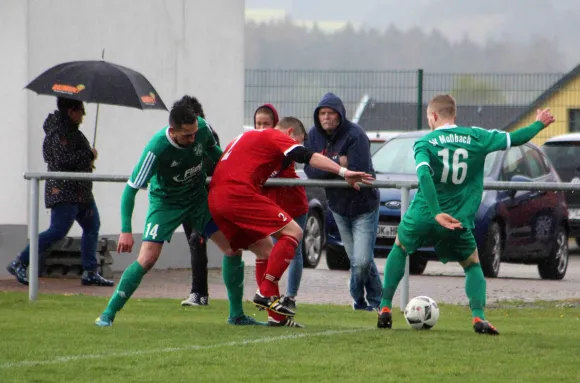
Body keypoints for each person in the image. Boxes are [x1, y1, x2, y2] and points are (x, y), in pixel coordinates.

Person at [376, 94, 556, 335]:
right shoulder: (476, 137)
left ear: (434, 116)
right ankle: (478, 317)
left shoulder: (426, 142)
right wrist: (539, 124)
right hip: (458, 219)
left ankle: (385, 307)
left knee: (400, 248)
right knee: (472, 265)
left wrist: (436, 212)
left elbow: (424, 176)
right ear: (455, 116)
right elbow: (514, 139)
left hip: (424, 213)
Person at [95, 104, 261, 327]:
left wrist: (237, 175)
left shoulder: (201, 129)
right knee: (147, 259)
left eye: (194, 133)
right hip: (166, 204)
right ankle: (108, 313)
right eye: (187, 135)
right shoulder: (157, 148)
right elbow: (130, 189)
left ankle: (237, 315)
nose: (193, 138)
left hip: (197, 200)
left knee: (232, 249)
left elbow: (216, 155)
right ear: (172, 131)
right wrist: (126, 229)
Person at [209, 117, 373, 327]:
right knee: (294, 232)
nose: (300, 144)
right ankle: (266, 290)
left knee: (265, 250)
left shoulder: (244, 137)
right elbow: (308, 156)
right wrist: (343, 172)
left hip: (216, 198)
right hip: (237, 194)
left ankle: (275, 318)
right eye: (300, 140)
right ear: (289, 133)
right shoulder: (276, 135)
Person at [6, 97, 113, 287]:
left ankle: (90, 271)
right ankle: (20, 261)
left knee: (92, 225)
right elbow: (63, 160)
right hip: (64, 191)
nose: (83, 115)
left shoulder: (70, 132)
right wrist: (88, 155)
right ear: (71, 111)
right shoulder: (58, 133)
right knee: (57, 230)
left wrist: (87, 159)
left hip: (81, 191)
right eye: (81, 110)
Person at [304, 92, 382, 311]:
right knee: (359, 260)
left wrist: (327, 166)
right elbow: (310, 171)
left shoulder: (355, 135)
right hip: (338, 207)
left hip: (364, 206)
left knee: (362, 261)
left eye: (330, 113)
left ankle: (357, 297)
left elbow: (360, 171)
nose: (326, 118)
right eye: (322, 113)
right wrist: (339, 163)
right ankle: (373, 302)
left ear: (340, 115)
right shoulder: (313, 136)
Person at [253, 104, 308, 318]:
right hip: (270, 206)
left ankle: (289, 297)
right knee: (266, 250)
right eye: (258, 124)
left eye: (266, 124)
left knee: (292, 250)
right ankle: (266, 296)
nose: (261, 128)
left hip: (293, 205)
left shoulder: (282, 146)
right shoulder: (255, 144)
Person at [175, 95, 221, 307]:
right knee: (196, 243)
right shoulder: (176, 140)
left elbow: (215, 161)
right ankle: (200, 294)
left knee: (199, 241)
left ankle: (199, 293)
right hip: (188, 197)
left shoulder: (207, 134)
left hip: (207, 198)